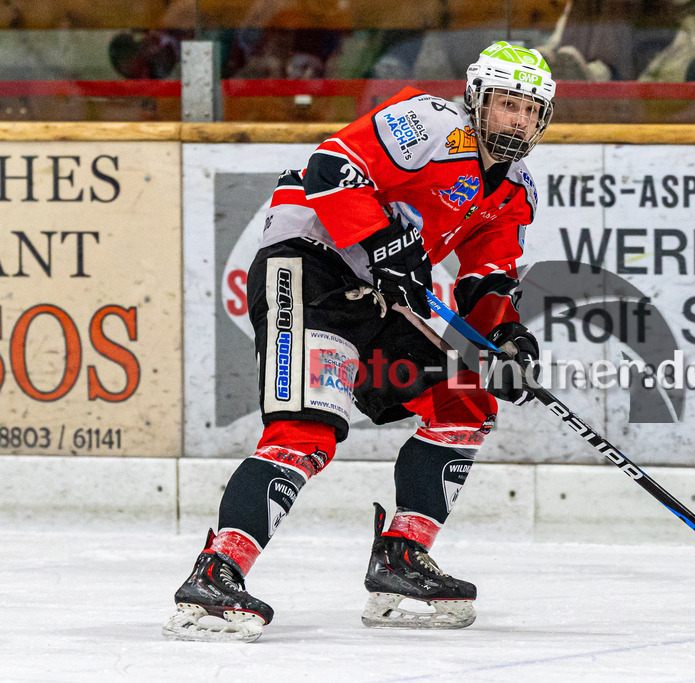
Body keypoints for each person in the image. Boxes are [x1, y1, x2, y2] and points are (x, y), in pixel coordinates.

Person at [162, 40, 556, 642]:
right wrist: (381, 241)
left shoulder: (514, 189)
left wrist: (505, 336)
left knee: (463, 401)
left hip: (376, 296)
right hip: (309, 265)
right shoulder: (429, 122)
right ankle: (217, 573)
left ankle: (402, 556)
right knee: (306, 431)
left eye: (531, 110)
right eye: (507, 104)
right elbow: (330, 167)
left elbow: (487, 277)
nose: (519, 120)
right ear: (476, 99)